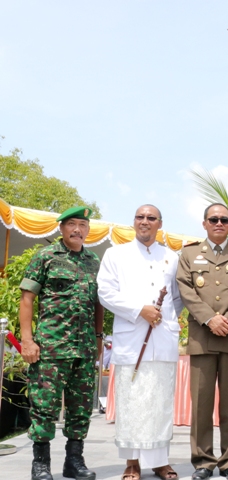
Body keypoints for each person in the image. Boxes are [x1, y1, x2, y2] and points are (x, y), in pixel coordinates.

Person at [97, 205, 183, 480]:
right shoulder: (115, 254)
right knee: (131, 403)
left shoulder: (173, 257)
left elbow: (178, 299)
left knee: (159, 403)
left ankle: (160, 462)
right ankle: (132, 462)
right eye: (140, 217)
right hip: (131, 339)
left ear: (160, 223)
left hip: (163, 339)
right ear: (134, 222)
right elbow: (105, 293)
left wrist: (163, 318)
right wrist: (139, 310)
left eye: (151, 218)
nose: (144, 222)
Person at [19, 206, 103, 480]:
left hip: (84, 348)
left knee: (80, 409)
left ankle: (74, 462)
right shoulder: (45, 257)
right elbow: (27, 299)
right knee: (44, 407)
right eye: (71, 224)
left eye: (82, 224)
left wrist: (99, 337)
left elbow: (98, 305)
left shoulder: (93, 261)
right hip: (51, 348)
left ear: (88, 230)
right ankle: (40, 465)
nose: (77, 229)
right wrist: (28, 340)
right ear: (61, 228)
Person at [176, 203, 228, 480]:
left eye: (224, 219)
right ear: (205, 223)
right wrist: (210, 319)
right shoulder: (188, 253)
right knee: (201, 403)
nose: (219, 223)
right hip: (202, 336)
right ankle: (203, 461)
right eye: (214, 219)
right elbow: (185, 288)